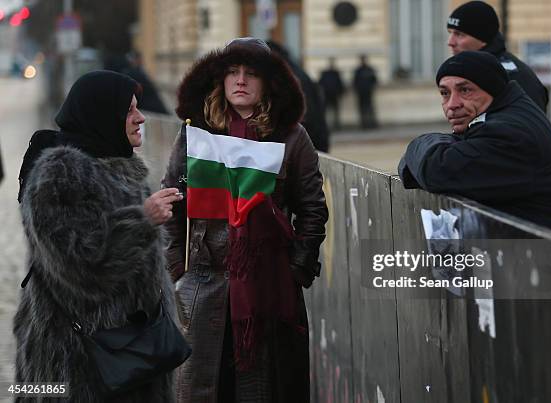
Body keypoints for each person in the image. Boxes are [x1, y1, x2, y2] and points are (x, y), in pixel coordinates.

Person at [163, 38, 328, 402]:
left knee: (265, 387)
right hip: (204, 284)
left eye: (251, 74)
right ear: (219, 80)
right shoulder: (197, 133)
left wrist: (296, 269)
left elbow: (313, 208)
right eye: (232, 72)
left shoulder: (292, 137)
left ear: (268, 82)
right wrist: (177, 265)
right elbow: (172, 200)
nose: (240, 81)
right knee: (204, 386)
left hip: (269, 287)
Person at [14, 70, 182, 402]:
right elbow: (80, 265)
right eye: (130, 110)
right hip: (78, 365)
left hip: (132, 358)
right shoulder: (60, 175)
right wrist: (142, 220)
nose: (141, 118)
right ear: (102, 115)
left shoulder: (120, 167)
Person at [397, 51, 551, 239]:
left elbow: (436, 170)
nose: (452, 104)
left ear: (492, 90)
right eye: (445, 93)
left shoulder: (510, 133)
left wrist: (417, 145)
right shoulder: (500, 116)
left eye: (465, 90)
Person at [447, 0, 549, 112]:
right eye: (450, 33)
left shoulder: (511, 76)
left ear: (483, 39)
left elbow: (528, 125)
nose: (450, 42)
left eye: (459, 34)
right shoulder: (477, 68)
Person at [267, 40, 330, 152]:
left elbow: (306, 116)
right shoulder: (293, 71)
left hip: (307, 144)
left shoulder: (287, 77)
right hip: (313, 141)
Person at [319, 57, 345, 131]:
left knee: (335, 111)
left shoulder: (336, 73)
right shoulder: (325, 73)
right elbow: (321, 83)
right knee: (327, 111)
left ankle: (336, 125)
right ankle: (326, 125)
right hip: (327, 95)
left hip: (334, 95)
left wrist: (340, 93)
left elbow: (340, 84)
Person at [353, 54, 378, 129]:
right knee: (362, 109)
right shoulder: (358, 70)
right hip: (361, 93)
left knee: (369, 109)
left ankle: (371, 124)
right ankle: (364, 125)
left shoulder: (369, 69)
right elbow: (355, 82)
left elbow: (374, 80)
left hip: (368, 92)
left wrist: (370, 88)